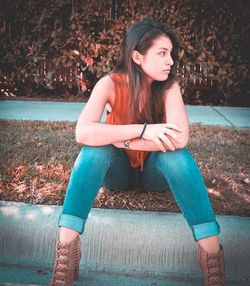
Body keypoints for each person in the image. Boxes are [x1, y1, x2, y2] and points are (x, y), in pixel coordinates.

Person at [49, 19, 226, 286]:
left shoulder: (169, 87)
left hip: (154, 174)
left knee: (177, 157)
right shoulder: (109, 84)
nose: (171, 61)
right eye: (162, 53)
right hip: (117, 172)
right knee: (92, 153)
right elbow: (83, 132)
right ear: (137, 56)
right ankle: (65, 257)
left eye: (171, 54)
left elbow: (180, 138)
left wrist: (124, 140)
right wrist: (143, 130)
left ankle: (213, 260)